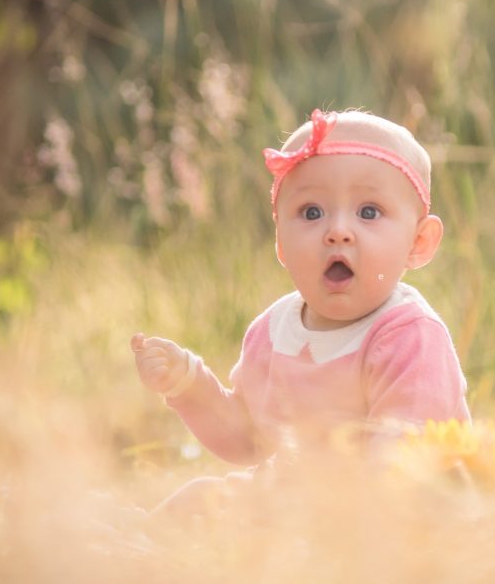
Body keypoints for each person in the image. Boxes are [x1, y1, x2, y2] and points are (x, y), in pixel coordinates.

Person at [131, 109, 470, 511]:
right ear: (280, 244)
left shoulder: (409, 336)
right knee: (200, 497)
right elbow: (246, 439)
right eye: (312, 212)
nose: (337, 230)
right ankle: (129, 541)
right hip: (292, 503)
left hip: (388, 511)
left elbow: (405, 457)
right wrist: (187, 385)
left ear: (419, 242)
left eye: (369, 212)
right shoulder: (274, 331)